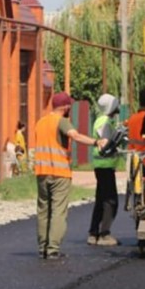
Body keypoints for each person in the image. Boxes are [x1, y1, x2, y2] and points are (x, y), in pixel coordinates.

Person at [35, 92, 107, 260]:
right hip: (59, 174)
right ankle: (53, 249)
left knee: (43, 211)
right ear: (66, 107)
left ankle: (42, 247)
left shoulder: (40, 122)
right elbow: (74, 135)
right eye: (69, 106)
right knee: (58, 211)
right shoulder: (62, 122)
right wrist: (96, 142)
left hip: (41, 173)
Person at [88, 93, 122, 247]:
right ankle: (104, 234)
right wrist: (118, 140)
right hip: (105, 166)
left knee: (101, 199)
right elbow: (106, 143)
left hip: (100, 166)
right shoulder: (105, 122)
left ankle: (93, 232)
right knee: (111, 201)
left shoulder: (101, 120)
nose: (117, 107)